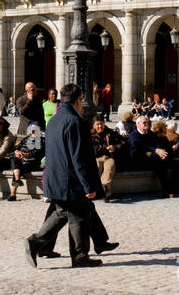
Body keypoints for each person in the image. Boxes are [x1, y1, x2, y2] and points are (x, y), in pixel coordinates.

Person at [25, 84, 114, 269]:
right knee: (79, 215)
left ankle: (40, 244)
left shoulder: (55, 119)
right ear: (78, 100)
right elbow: (78, 157)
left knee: (63, 213)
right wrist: (88, 186)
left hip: (55, 176)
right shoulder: (76, 121)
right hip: (70, 179)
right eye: (82, 100)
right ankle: (77, 255)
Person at [128, 114, 176, 197]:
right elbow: (141, 147)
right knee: (160, 162)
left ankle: (175, 187)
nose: (147, 124)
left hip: (150, 158)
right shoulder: (134, 135)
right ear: (138, 124)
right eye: (144, 122)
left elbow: (156, 143)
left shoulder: (149, 133)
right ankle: (166, 190)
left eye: (148, 122)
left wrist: (160, 151)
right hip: (138, 160)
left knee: (166, 159)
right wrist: (156, 150)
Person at [90, 116, 124, 200]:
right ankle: (99, 190)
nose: (100, 126)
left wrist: (115, 147)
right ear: (94, 125)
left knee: (110, 166)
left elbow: (122, 142)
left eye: (101, 124)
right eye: (97, 124)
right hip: (96, 157)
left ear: (104, 124)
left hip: (108, 157)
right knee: (96, 166)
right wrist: (104, 148)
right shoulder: (89, 135)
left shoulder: (110, 132)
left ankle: (104, 188)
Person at [9, 123, 44, 200]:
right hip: (21, 160)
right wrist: (17, 151)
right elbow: (16, 147)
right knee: (14, 158)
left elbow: (37, 152)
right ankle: (17, 181)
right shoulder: (26, 139)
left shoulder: (40, 140)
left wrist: (25, 154)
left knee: (17, 167)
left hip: (32, 163)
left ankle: (13, 191)